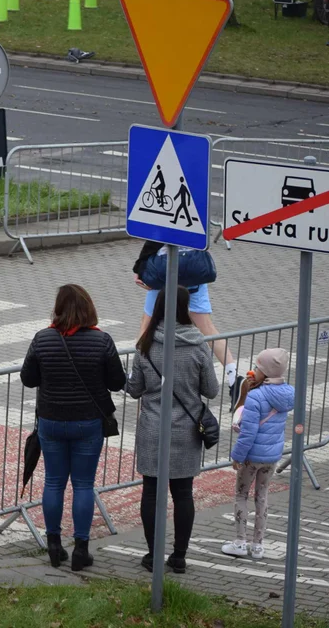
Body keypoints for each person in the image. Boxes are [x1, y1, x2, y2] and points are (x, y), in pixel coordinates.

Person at [20, 284, 126, 572]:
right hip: (87, 423)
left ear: (57, 309)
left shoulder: (43, 339)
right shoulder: (101, 341)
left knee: (54, 481)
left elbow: (28, 379)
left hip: (51, 421)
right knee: (83, 484)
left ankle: (54, 545)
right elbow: (117, 382)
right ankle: (81, 549)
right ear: (88, 309)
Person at [126, 287, 219, 575]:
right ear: (185, 307)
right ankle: (179, 557)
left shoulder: (146, 345)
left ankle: (153, 555)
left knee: (151, 492)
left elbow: (134, 390)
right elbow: (212, 390)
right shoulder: (198, 344)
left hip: (153, 428)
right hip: (186, 431)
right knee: (183, 493)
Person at [133, 241, 237, 403]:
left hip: (164, 271)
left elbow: (153, 241)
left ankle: (136, 374)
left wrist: (139, 268)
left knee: (146, 325)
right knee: (207, 328)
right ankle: (234, 377)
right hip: (193, 272)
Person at [222, 348, 294, 561]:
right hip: (272, 457)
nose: (254, 370)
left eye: (258, 367)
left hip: (251, 457)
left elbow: (248, 432)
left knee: (241, 495)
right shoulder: (288, 393)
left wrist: (237, 456)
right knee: (262, 497)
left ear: (266, 372)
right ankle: (258, 546)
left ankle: (240, 542)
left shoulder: (256, 396)